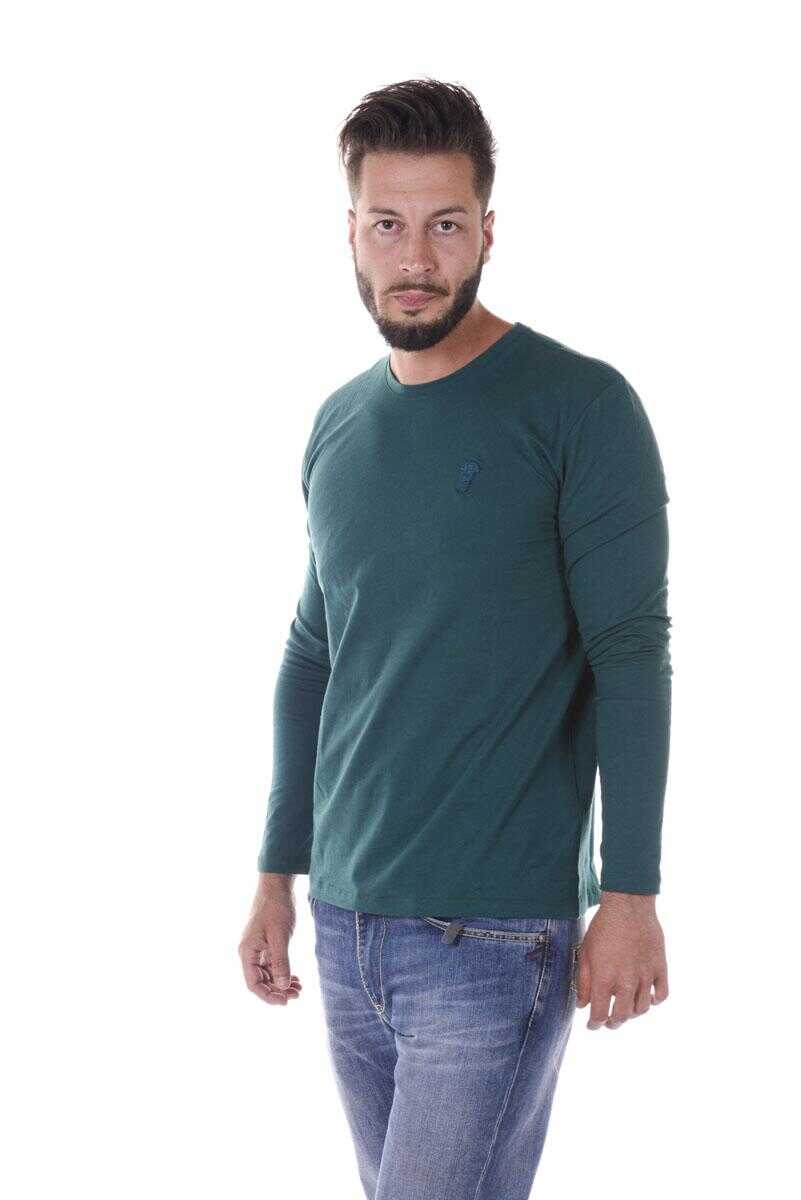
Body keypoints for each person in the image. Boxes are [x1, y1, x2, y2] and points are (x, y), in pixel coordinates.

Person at [239, 77, 672, 1199]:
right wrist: (278, 874)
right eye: (388, 224)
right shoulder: (339, 423)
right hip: (346, 922)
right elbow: (313, 657)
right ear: (350, 231)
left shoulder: (578, 407)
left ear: (487, 229)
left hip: (492, 937)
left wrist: (630, 893)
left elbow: (630, 655)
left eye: (445, 224)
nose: (416, 259)